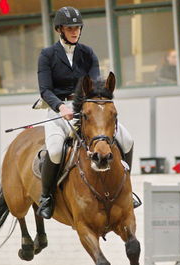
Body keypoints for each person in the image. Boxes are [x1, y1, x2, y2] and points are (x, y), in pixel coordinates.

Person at [36, 6, 140, 219]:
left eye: (77, 27)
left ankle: (127, 188)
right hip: (61, 109)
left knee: (127, 140)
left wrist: (94, 105)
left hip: (88, 109)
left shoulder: (88, 53)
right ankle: (46, 196)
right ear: (60, 30)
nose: (75, 31)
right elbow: (45, 90)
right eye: (69, 28)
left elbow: (96, 86)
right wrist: (61, 107)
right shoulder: (47, 55)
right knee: (55, 150)